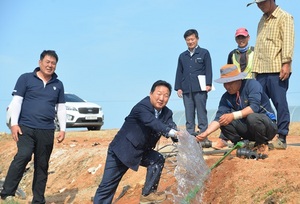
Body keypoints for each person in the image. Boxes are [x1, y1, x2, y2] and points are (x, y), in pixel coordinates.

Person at [93, 80, 178, 204]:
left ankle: (147, 194)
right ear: (151, 94)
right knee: (107, 187)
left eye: (166, 95)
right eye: (159, 94)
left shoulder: (167, 112)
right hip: (121, 151)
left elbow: (171, 126)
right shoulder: (141, 107)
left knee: (157, 159)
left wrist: (183, 137)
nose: (162, 98)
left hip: (141, 151)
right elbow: (153, 123)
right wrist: (173, 132)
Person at [0, 50, 66, 203]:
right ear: (40, 62)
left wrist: (63, 129)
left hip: (47, 130)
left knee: (42, 165)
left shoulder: (58, 84)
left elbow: (61, 108)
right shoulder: (25, 78)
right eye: (47, 62)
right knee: (23, 155)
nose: (50, 65)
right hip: (26, 127)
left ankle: (38, 200)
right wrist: (14, 124)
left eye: (53, 63)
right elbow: (16, 102)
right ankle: (7, 192)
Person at [195, 64, 278, 155]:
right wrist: (206, 133)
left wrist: (232, 115)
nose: (227, 86)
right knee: (223, 119)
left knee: (252, 117)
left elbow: (254, 108)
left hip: (267, 127)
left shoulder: (252, 85)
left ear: (238, 79)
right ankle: (241, 145)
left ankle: (262, 144)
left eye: (230, 83)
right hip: (248, 129)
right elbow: (218, 118)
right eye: (225, 83)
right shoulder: (226, 97)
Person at [247, 0, 295, 149]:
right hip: (260, 70)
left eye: (262, 2)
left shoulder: (284, 17)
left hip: (276, 69)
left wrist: (286, 63)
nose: (260, 6)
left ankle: (282, 136)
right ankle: (262, 137)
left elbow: (288, 41)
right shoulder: (262, 20)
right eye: (257, 3)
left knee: (280, 102)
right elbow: (260, 46)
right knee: (259, 104)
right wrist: (254, 70)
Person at [212, 27, 255, 149]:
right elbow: (228, 71)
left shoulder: (254, 52)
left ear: (248, 37)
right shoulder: (232, 54)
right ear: (235, 39)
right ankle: (224, 138)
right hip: (236, 85)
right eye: (238, 37)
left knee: (252, 112)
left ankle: (259, 138)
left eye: (243, 37)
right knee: (229, 112)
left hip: (250, 85)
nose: (241, 39)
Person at [174, 29, 213, 135]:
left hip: (200, 88)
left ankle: (204, 134)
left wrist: (208, 84)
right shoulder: (182, 56)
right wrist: (178, 88)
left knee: (201, 112)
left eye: (192, 39)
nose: (190, 42)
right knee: (188, 113)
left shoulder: (204, 53)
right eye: (188, 40)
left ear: (197, 39)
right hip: (186, 88)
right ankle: (190, 135)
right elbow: (179, 72)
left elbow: (208, 69)